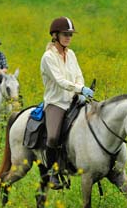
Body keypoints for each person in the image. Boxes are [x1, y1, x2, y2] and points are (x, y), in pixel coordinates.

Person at [40, 17, 94, 189]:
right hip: (56, 103)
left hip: (73, 100)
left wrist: (82, 89)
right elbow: (60, 80)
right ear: (55, 35)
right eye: (65, 34)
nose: (69, 38)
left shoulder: (71, 54)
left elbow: (78, 75)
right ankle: (52, 174)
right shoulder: (48, 57)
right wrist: (80, 89)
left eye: (70, 35)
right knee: (54, 136)